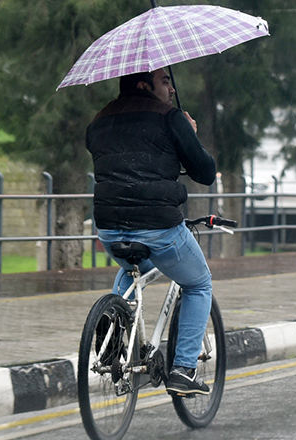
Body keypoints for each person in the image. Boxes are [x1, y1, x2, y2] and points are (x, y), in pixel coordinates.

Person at [86, 68, 216, 396]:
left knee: (133, 269)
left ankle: (115, 334)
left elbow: (129, 157)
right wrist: (186, 133)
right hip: (159, 226)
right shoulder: (169, 117)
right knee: (199, 283)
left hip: (109, 228)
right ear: (144, 85)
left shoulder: (98, 122)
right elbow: (205, 172)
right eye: (165, 81)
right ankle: (184, 370)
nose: (171, 89)